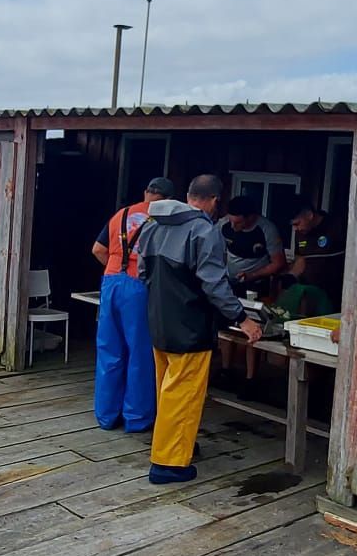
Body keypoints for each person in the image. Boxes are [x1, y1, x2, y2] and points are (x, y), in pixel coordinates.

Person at [136, 174, 263, 483]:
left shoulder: (152, 226)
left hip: (159, 321)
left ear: (189, 194)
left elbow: (143, 272)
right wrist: (241, 318)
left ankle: (179, 444)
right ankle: (169, 465)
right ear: (215, 201)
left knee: (167, 393)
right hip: (190, 327)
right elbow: (215, 285)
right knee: (184, 395)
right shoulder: (204, 231)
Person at [90, 176, 174, 432]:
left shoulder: (122, 214)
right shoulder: (163, 221)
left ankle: (106, 415)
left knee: (109, 351)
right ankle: (137, 419)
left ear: (146, 192)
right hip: (139, 287)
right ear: (169, 199)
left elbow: (97, 249)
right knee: (139, 354)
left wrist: (117, 268)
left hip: (112, 281)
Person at [221, 195, 287, 297]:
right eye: (231, 221)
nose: (232, 226)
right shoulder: (223, 224)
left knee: (251, 310)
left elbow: (278, 263)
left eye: (238, 222)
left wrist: (252, 276)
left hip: (256, 284)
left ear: (251, 217)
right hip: (229, 282)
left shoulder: (268, 230)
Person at [287, 202, 347, 308]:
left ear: (309, 215)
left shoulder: (337, 226)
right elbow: (300, 258)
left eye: (297, 223)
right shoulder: (300, 233)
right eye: (293, 225)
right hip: (310, 295)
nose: (295, 229)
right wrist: (291, 276)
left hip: (334, 295)